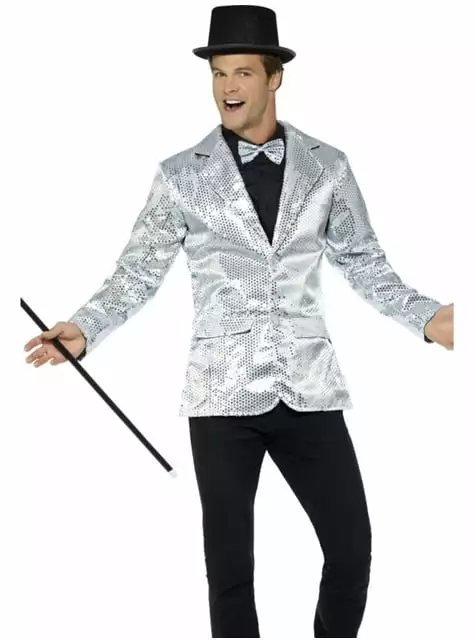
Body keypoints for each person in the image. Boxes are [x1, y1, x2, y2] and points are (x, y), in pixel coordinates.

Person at [23, 4, 454, 638]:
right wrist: (85, 329)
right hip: (220, 395)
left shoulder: (328, 166)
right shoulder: (179, 175)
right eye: (219, 73)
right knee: (229, 571)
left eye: (243, 72)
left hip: (308, 388)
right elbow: (137, 273)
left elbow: (364, 263)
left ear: (274, 78)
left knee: (351, 548)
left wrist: (430, 318)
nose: (227, 86)